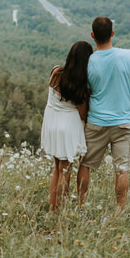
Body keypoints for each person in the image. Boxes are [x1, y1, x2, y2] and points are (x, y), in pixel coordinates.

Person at [77, 16, 130, 211]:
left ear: (92, 36)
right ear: (112, 33)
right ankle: (120, 210)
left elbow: (85, 95)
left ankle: (80, 206)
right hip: (124, 122)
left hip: (96, 121)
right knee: (122, 169)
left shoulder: (88, 62)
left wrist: (85, 118)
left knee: (86, 164)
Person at [40, 40, 93, 210]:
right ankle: (59, 210)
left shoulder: (56, 72)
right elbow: (83, 113)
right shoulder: (81, 85)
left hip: (51, 123)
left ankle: (53, 207)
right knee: (65, 170)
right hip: (68, 127)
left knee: (56, 168)